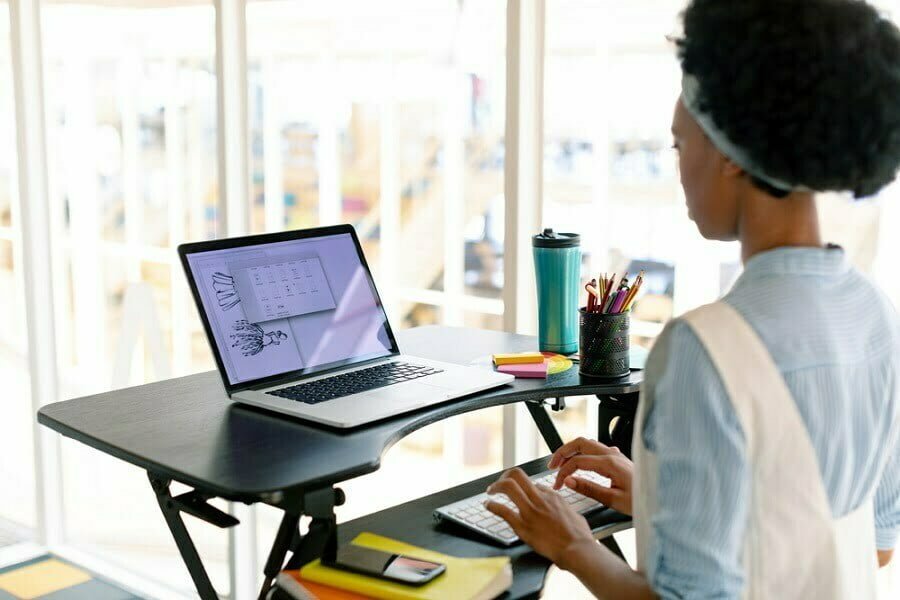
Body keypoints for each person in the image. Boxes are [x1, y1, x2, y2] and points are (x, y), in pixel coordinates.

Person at [485, 0, 900, 597]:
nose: (678, 170)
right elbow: (870, 543)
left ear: (728, 154)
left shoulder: (703, 350)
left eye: (680, 146)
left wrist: (571, 543)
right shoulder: (877, 316)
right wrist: (666, 495)